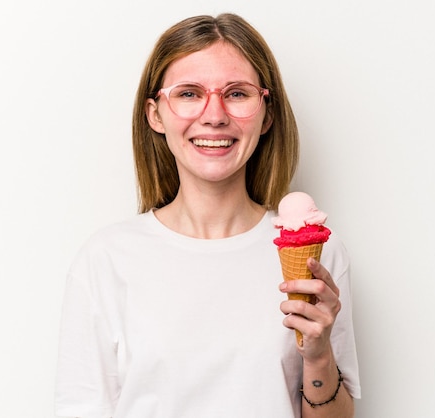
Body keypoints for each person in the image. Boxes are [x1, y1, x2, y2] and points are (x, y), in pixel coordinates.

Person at [55, 13, 361, 418]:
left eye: (236, 94)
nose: (214, 115)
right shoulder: (107, 258)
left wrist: (319, 355)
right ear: (155, 115)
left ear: (267, 114)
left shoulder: (319, 253)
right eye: (188, 93)